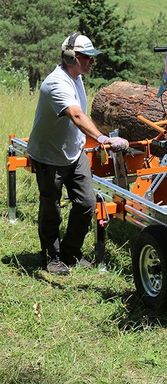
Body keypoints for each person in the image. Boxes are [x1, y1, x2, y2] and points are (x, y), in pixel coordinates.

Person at [27, 33, 129, 275]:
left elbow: (81, 118)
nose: (92, 62)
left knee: (86, 203)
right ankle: (52, 258)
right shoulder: (56, 83)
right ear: (71, 57)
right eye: (88, 58)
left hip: (74, 152)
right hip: (49, 156)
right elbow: (75, 115)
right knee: (51, 208)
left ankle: (70, 253)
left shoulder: (77, 77)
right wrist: (103, 138)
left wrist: (96, 135)